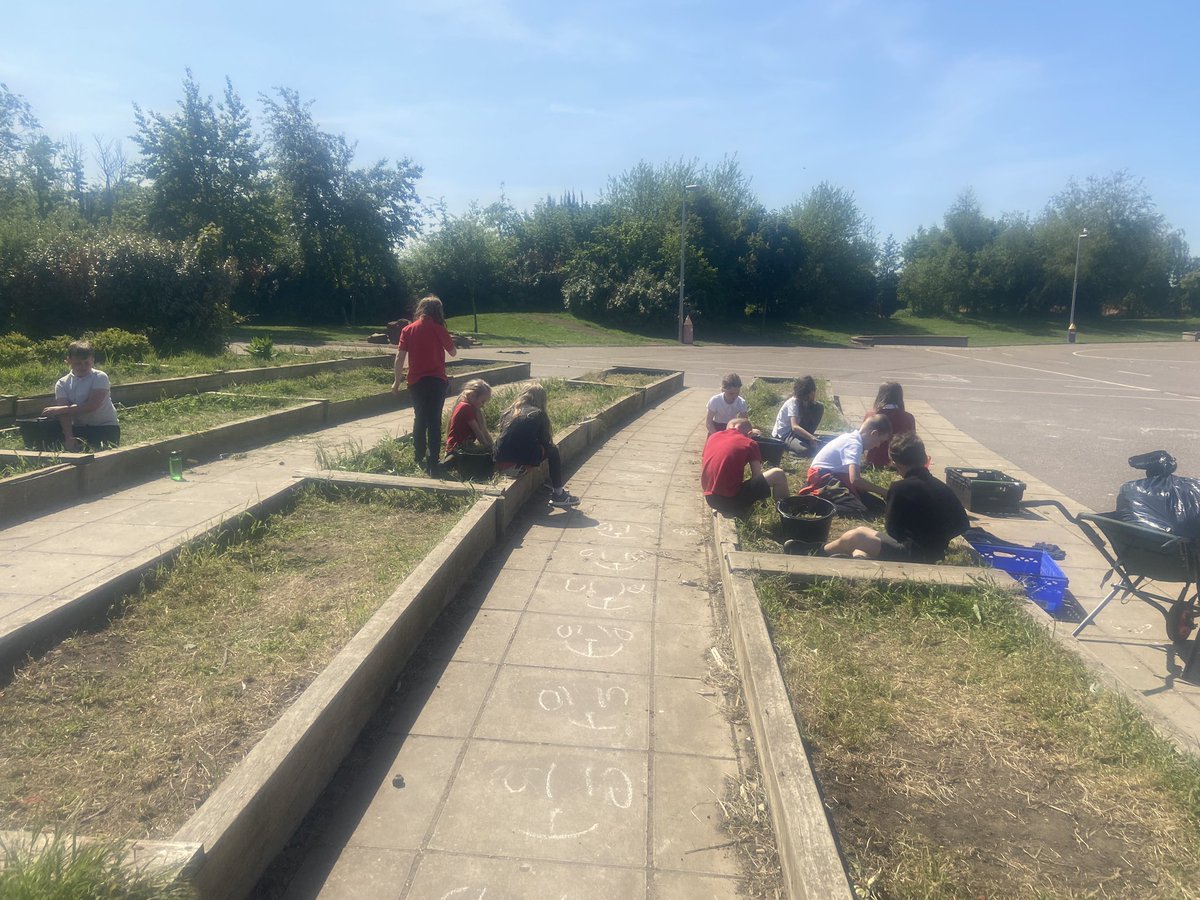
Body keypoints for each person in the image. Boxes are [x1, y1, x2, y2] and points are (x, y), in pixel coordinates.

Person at [817, 432, 969, 563]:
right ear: (924, 458)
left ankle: (818, 552)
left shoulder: (899, 488)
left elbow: (892, 530)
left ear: (897, 464)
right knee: (861, 537)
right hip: (934, 552)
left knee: (857, 536)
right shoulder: (941, 487)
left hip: (912, 554)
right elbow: (962, 524)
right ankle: (858, 560)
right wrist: (938, 539)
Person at [392, 295, 457, 476]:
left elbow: (399, 357)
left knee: (419, 417)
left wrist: (397, 380)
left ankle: (418, 454)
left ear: (421, 309)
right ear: (438, 311)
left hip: (416, 382)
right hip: (436, 381)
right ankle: (433, 461)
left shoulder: (408, 329)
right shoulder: (439, 329)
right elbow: (452, 352)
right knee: (434, 420)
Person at [494, 383, 581, 507]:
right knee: (553, 450)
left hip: (500, 462)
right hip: (518, 466)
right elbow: (546, 441)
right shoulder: (538, 414)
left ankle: (556, 490)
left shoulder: (509, 411)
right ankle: (558, 493)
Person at [701, 417, 790, 518]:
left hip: (710, 499)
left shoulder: (713, 437)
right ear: (750, 433)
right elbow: (757, 475)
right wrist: (761, 498)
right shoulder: (750, 443)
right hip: (728, 501)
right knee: (778, 474)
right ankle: (786, 511)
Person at [40, 341, 120, 451]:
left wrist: (59, 410)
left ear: (92, 360)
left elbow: (92, 406)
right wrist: (69, 437)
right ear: (68, 361)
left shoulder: (100, 377)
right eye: (78, 363)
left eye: (86, 363)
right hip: (79, 428)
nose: (83, 366)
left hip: (105, 427)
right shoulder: (62, 383)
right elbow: (65, 415)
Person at [807, 414, 891, 503]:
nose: (878, 446)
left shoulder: (852, 438)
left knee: (876, 504)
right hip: (821, 478)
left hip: (831, 475)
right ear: (874, 434)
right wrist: (883, 491)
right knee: (856, 507)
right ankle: (815, 500)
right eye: (880, 441)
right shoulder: (854, 444)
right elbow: (855, 480)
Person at [444, 378, 494, 478]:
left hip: (463, 446)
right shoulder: (465, 407)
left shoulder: (471, 407)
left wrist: (492, 446)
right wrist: (489, 449)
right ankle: (450, 463)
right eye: (482, 401)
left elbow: (483, 430)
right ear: (472, 395)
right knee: (485, 462)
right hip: (457, 449)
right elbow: (478, 432)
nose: (483, 405)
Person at [864, 381, 917, 468]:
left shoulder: (871, 416)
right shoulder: (908, 418)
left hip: (873, 463)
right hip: (899, 465)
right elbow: (912, 443)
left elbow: (865, 441)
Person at [772, 375, 825, 455]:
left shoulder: (806, 402)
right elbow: (795, 427)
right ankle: (790, 449)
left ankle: (806, 440)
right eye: (812, 393)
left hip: (797, 434)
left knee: (819, 407)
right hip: (785, 435)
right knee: (806, 450)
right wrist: (811, 437)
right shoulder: (793, 403)